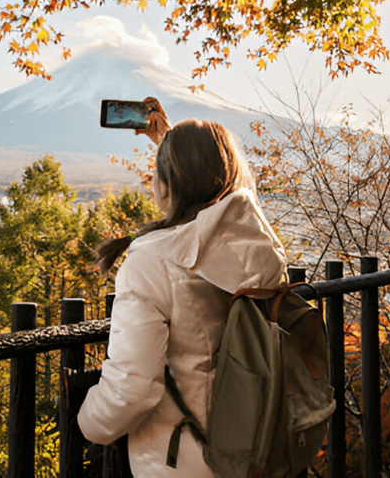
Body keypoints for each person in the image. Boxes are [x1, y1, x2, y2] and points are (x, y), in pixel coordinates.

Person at [78, 98, 288, 476]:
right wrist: (173, 143)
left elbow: (132, 389)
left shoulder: (152, 264)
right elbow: (223, 207)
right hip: (255, 449)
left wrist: (88, 421)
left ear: (164, 185)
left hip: (182, 460)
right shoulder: (262, 251)